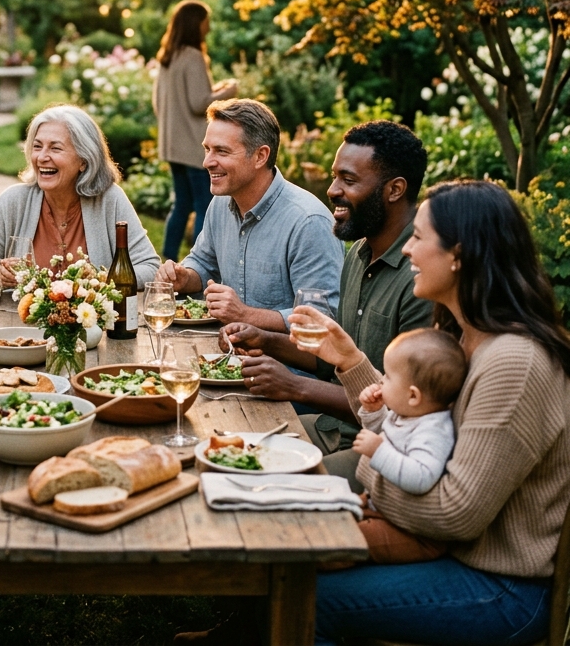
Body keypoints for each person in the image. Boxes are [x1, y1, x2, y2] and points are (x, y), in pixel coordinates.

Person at [291, 180, 570, 646]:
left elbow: (454, 515)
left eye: (419, 238)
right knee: (294, 548)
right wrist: (350, 361)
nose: (409, 251)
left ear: (458, 254)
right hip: (455, 553)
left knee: (311, 595)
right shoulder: (466, 336)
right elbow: (407, 431)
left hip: (501, 586)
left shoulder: (512, 363)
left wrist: (372, 470)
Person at [218, 121, 433, 487]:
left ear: (395, 190)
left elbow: (406, 411)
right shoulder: (359, 254)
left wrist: (294, 387)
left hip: (382, 448)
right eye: (335, 178)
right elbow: (334, 359)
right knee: (224, 445)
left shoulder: (421, 280)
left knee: (259, 484)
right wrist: (265, 340)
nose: (332, 190)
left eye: (348, 180)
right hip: (332, 426)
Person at [158, 98, 342, 332]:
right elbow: (204, 262)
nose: (207, 162)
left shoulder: (308, 222)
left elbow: (321, 318)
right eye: (207, 149)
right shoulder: (220, 204)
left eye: (222, 151)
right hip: (227, 356)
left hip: (286, 367)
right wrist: (185, 278)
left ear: (260, 156)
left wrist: (244, 314)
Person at [0, 104, 160, 288]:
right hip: (21, 326)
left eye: (55, 148)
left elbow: (150, 268)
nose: (42, 157)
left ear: (83, 160)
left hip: (93, 327)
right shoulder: (14, 201)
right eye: (37, 147)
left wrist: (100, 282)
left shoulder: (109, 200)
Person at [353, 327, 467, 564]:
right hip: (383, 510)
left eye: (388, 376)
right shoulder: (409, 414)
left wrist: (377, 451)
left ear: (413, 396)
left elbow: (421, 476)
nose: (381, 381)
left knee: (340, 541)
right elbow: (389, 438)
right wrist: (375, 413)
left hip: (413, 533)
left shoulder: (434, 431)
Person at [152, 0, 237, 260]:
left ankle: (167, 257)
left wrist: (214, 92)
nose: (208, 28)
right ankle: (199, 262)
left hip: (172, 145)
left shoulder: (168, 58)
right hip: (193, 146)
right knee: (204, 205)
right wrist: (229, 91)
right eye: (206, 21)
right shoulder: (193, 56)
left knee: (182, 205)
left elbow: (159, 102)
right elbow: (199, 102)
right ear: (195, 23)